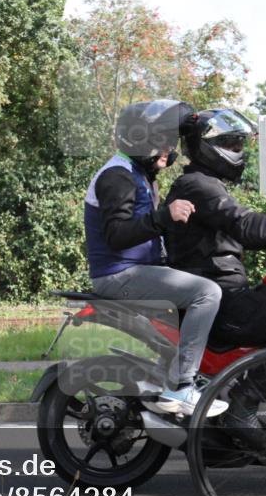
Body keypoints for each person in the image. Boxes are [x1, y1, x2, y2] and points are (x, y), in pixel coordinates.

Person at [164, 108, 266, 431]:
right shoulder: (196, 186)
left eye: (239, 145)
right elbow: (244, 223)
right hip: (219, 297)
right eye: (231, 144)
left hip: (222, 290)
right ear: (208, 147)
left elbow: (237, 233)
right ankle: (243, 407)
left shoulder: (204, 184)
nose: (238, 152)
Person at [85, 99, 225, 416]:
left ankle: (184, 378)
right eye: (162, 141)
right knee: (207, 292)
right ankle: (181, 388)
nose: (169, 149)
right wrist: (164, 217)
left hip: (136, 270)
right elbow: (117, 235)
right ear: (140, 141)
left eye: (171, 142)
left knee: (208, 284)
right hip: (118, 275)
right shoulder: (117, 176)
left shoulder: (136, 174)